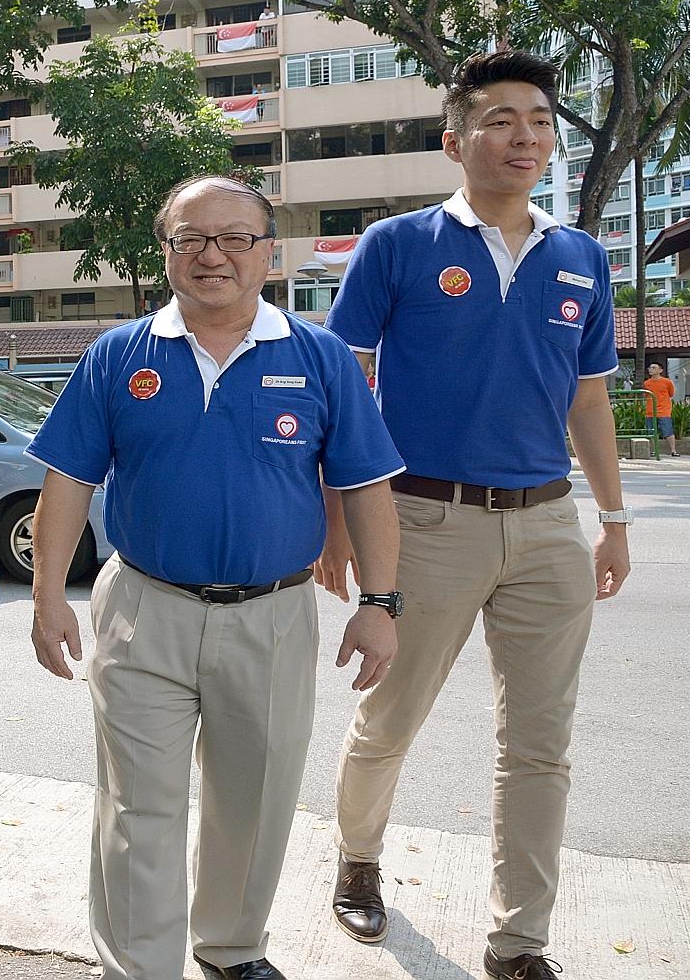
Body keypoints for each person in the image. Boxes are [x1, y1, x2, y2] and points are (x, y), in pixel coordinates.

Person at [29, 175, 406, 980]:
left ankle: (232, 950)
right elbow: (67, 478)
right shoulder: (117, 355)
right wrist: (46, 595)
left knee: (256, 800)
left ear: (270, 254)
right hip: (143, 608)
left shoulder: (321, 357)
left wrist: (379, 603)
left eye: (236, 237)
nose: (213, 255)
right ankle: (142, 967)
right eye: (191, 238)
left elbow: (367, 484)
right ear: (165, 250)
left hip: (272, 616)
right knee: (139, 809)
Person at [319, 51, 630, 980]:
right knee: (389, 715)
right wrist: (338, 518)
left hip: (546, 528)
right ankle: (359, 861)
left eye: (538, 119)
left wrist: (612, 518)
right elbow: (345, 385)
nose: (524, 136)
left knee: (540, 745)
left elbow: (590, 401)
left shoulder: (580, 257)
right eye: (501, 120)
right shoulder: (398, 245)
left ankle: (518, 941)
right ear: (455, 141)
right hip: (423, 522)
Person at [642, 362, 677, 456]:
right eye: (650, 367)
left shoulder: (667, 382)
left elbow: (671, 394)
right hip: (650, 411)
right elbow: (646, 395)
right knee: (651, 432)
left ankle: (673, 450)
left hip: (664, 411)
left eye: (653, 368)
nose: (650, 369)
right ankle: (653, 451)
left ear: (660, 370)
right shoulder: (646, 383)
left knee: (668, 431)